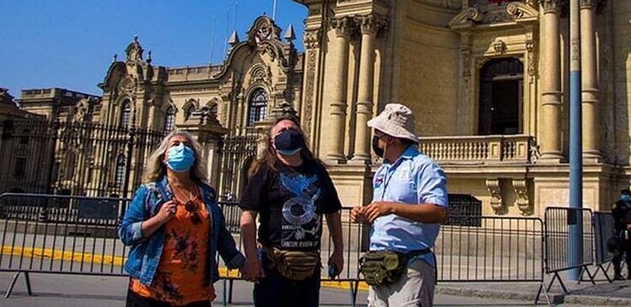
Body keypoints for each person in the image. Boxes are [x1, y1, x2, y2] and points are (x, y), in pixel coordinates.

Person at [119, 131, 252, 307]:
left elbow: (220, 237)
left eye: (187, 146)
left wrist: (243, 264)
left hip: (196, 294)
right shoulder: (149, 192)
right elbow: (125, 233)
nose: (182, 148)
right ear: (164, 157)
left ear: (194, 158)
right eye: (175, 144)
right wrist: (158, 219)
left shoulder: (206, 194)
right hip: (150, 293)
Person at [239, 117, 344, 307]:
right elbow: (248, 214)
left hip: (309, 267)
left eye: (292, 128)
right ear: (272, 142)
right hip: (273, 265)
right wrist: (252, 258)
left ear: (301, 136)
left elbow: (332, 211)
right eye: (280, 131)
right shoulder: (265, 170)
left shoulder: (317, 170)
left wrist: (338, 251)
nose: (287, 132)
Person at [351, 103, 449, 307]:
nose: (375, 140)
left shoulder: (424, 166)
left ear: (391, 137)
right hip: (378, 264)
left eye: (378, 134)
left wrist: (392, 207)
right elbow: (382, 209)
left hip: (410, 266)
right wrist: (366, 213)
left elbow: (439, 211)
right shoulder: (382, 171)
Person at [611, 188, 631, 281]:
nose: (626, 196)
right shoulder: (618, 205)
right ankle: (617, 274)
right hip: (621, 232)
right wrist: (625, 225)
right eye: (624, 194)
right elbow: (616, 218)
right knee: (619, 253)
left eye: (627, 194)